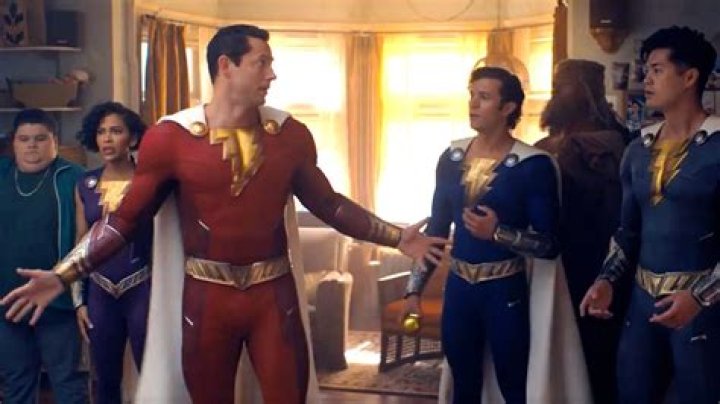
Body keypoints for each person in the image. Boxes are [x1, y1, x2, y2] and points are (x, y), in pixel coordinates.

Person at [1, 24, 447, 404]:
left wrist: (396, 237)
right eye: (261, 63)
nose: (272, 74)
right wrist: (62, 276)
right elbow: (124, 220)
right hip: (207, 297)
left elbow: (329, 204)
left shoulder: (289, 135)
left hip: (272, 295)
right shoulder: (172, 138)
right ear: (226, 66)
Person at [404, 66, 589, 404]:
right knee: (464, 385)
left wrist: (497, 233)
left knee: (514, 385)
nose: (473, 104)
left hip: (504, 291)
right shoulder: (451, 159)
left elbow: (549, 244)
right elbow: (436, 233)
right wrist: (414, 288)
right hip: (459, 291)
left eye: (484, 97)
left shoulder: (533, 165)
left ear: (508, 108)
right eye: (472, 95)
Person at [580, 26, 720, 404]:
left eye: (658, 70)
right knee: (632, 392)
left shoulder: (717, 148)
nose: (647, 80)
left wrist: (700, 298)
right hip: (642, 303)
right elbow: (627, 232)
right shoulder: (637, 150)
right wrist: (606, 280)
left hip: (703, 308)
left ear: (689, 77)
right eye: (646, 70)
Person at [535, 59, 631, 404]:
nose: (555, 89)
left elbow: (618, 210)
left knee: (595, 355)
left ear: (586, 90)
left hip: (596, 262)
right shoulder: (546, 145)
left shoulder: (614, 144)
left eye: (564, 83)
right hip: (551, 261)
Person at [0, 109, 87, 404]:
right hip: (8, 301)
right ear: (13, 143)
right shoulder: (2, 173)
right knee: (16, 383)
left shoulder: (74, 177)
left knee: (68, 384)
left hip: (57, 301)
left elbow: (87, 240)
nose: (31, 146)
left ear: (55, 141)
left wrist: (77, 293)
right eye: (24, 139)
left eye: (40, 139)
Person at [73, 102, 151, 404]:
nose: (106, 138)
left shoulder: (150, 181)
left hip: (143, 286)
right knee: (105, 379)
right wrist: (79, 301)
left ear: (133, 138)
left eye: (116, 131)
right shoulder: (85, 184)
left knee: (153, 373)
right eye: (101, 132)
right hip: (100, 292)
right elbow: (81, 245)